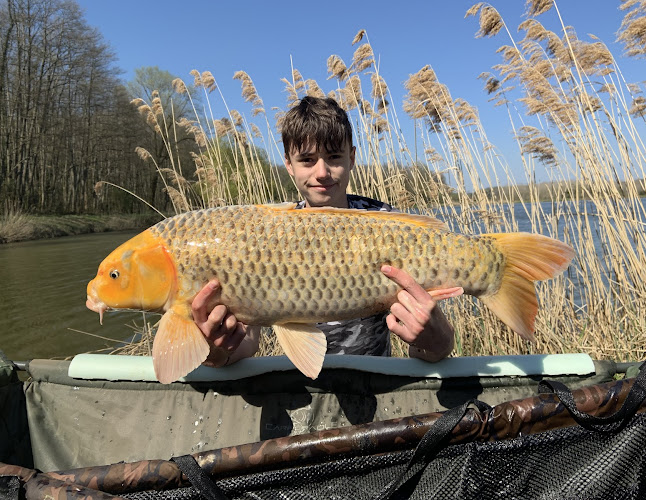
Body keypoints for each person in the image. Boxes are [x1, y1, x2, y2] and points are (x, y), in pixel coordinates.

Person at [191, 96, 463, 368]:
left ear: (352, 157)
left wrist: (436, 341)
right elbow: (247, 342)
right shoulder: (264, 235)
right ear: (289, 165)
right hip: (302, 389)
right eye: (307, 160)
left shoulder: (387, 225)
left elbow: (432, 349)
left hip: (375, 383)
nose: (322, 172)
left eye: (333, 157)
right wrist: (215, 352)